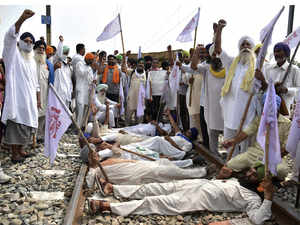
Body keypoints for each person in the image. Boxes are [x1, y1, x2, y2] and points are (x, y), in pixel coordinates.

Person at [89, 162, 274, 225]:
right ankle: (115, 189)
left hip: (196, 199)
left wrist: (268, 197)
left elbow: (257, 220)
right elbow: (220, 186)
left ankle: (109, 207)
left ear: (260, 182)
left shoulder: (253, 200)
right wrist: (219, 176)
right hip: (195, 184)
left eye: (253, 174)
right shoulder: (237, 180)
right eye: (250, 170)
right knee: (154, 188)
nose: (249, 174)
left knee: (156, 202)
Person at [221, 94, 290, 180]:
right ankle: (254, 173)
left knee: (282, 170)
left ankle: (263, 175)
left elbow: (287, 148)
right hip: (254, 153)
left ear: (278, 109)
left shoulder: (287, 124)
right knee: (230, 165)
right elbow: (246, 132)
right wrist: (232, 141)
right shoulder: (259, 119)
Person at [2, 9, 40, 163]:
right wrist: (21, 20)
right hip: (17, 98)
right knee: (16, 124)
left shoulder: (31, 60)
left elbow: (35, 82)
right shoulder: (13, 55)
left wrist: (37, 98)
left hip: (29, 99)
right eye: (26, 41)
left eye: (31, 42)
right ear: (20, 42)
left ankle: (22, 149)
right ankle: (14, 153)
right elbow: (10, 37)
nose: (29, 43)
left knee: (27, 124)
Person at [214, 19, 256, 157]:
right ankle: (229, 168)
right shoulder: (232, 62)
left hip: (248, 113)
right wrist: (219, 30)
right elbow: (218, 50)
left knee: (245, 147)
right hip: (230, 112)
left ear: (252, 47)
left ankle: (242, 171)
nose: (245, 46)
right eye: (242, 44)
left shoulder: (258, 66)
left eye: (248, 44)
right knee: (229, 146)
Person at [85, 149, 211, 186]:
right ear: (89, 159)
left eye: (95, 152)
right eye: (93, 154)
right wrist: (93, 165)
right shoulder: (95, 171)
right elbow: (89, 184)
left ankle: (196, 174)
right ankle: (202, 172)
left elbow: (119, 154)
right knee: (169, 172)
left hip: (142, 166)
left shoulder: (105, 160)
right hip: (139, 175)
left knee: (166, 165)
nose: (96, 154)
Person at [187, 42, 225, 157]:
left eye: (216, 54)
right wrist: (197, 52)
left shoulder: (228, 66)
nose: (215, 56)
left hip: (225, 105)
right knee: (210, 130)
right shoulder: (206, 67)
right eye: (212, 54)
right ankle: (212, 154)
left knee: (227, 131)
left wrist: (217, 31)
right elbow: (193, 67)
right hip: (208, 105)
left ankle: (232, 155)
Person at [255, 42, 300, 115]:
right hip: (267, 108)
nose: (276, 54)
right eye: (275, 52)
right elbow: (263, 87)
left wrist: (286, 90)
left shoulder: (294, 70)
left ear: (286, 53)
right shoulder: (268, 68)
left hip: (284, 110)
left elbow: (298, 89)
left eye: (278, 51)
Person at [75, 53, 97, 128]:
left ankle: (82, 126)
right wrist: (88, 68)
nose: (91, 62)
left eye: (92, 60)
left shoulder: (89, 67)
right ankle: (78, 127)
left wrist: (93, 81)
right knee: (80, 109)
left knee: (86, 109)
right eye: (90, 60)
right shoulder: (79, 64)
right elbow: (81, 73)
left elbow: (90, 79)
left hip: (87, 91)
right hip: (80, 90)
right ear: (86, 59)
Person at [33, 40, 49, 142]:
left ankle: (39, 135)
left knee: (43, 114)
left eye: (43, 49)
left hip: (44, 93)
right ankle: (32, 137)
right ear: (35, 49)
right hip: (33, 93)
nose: (41, 50)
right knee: (34, 115)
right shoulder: (31, 62)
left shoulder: (45, 64)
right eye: (39, 48)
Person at [53, 36, 73, 107]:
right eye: (64, 52)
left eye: (67, 53)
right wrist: (61, 42)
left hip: (66, 94)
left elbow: (69, 80)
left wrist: (70, 91)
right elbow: (58, 54)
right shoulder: (56, 61)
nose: (66, 54)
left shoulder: (68, 66)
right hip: (58, 92)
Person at [126, 58, 147, 124]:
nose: (141, 64)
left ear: (144, 65)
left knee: (139, 120)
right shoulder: (131, 72)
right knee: (128, 118)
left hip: (141, 100)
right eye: (139, 63)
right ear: (137, 64)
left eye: (142, 63)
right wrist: (125, 57)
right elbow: (123, 69)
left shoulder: (147, 74)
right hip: (131, 98)